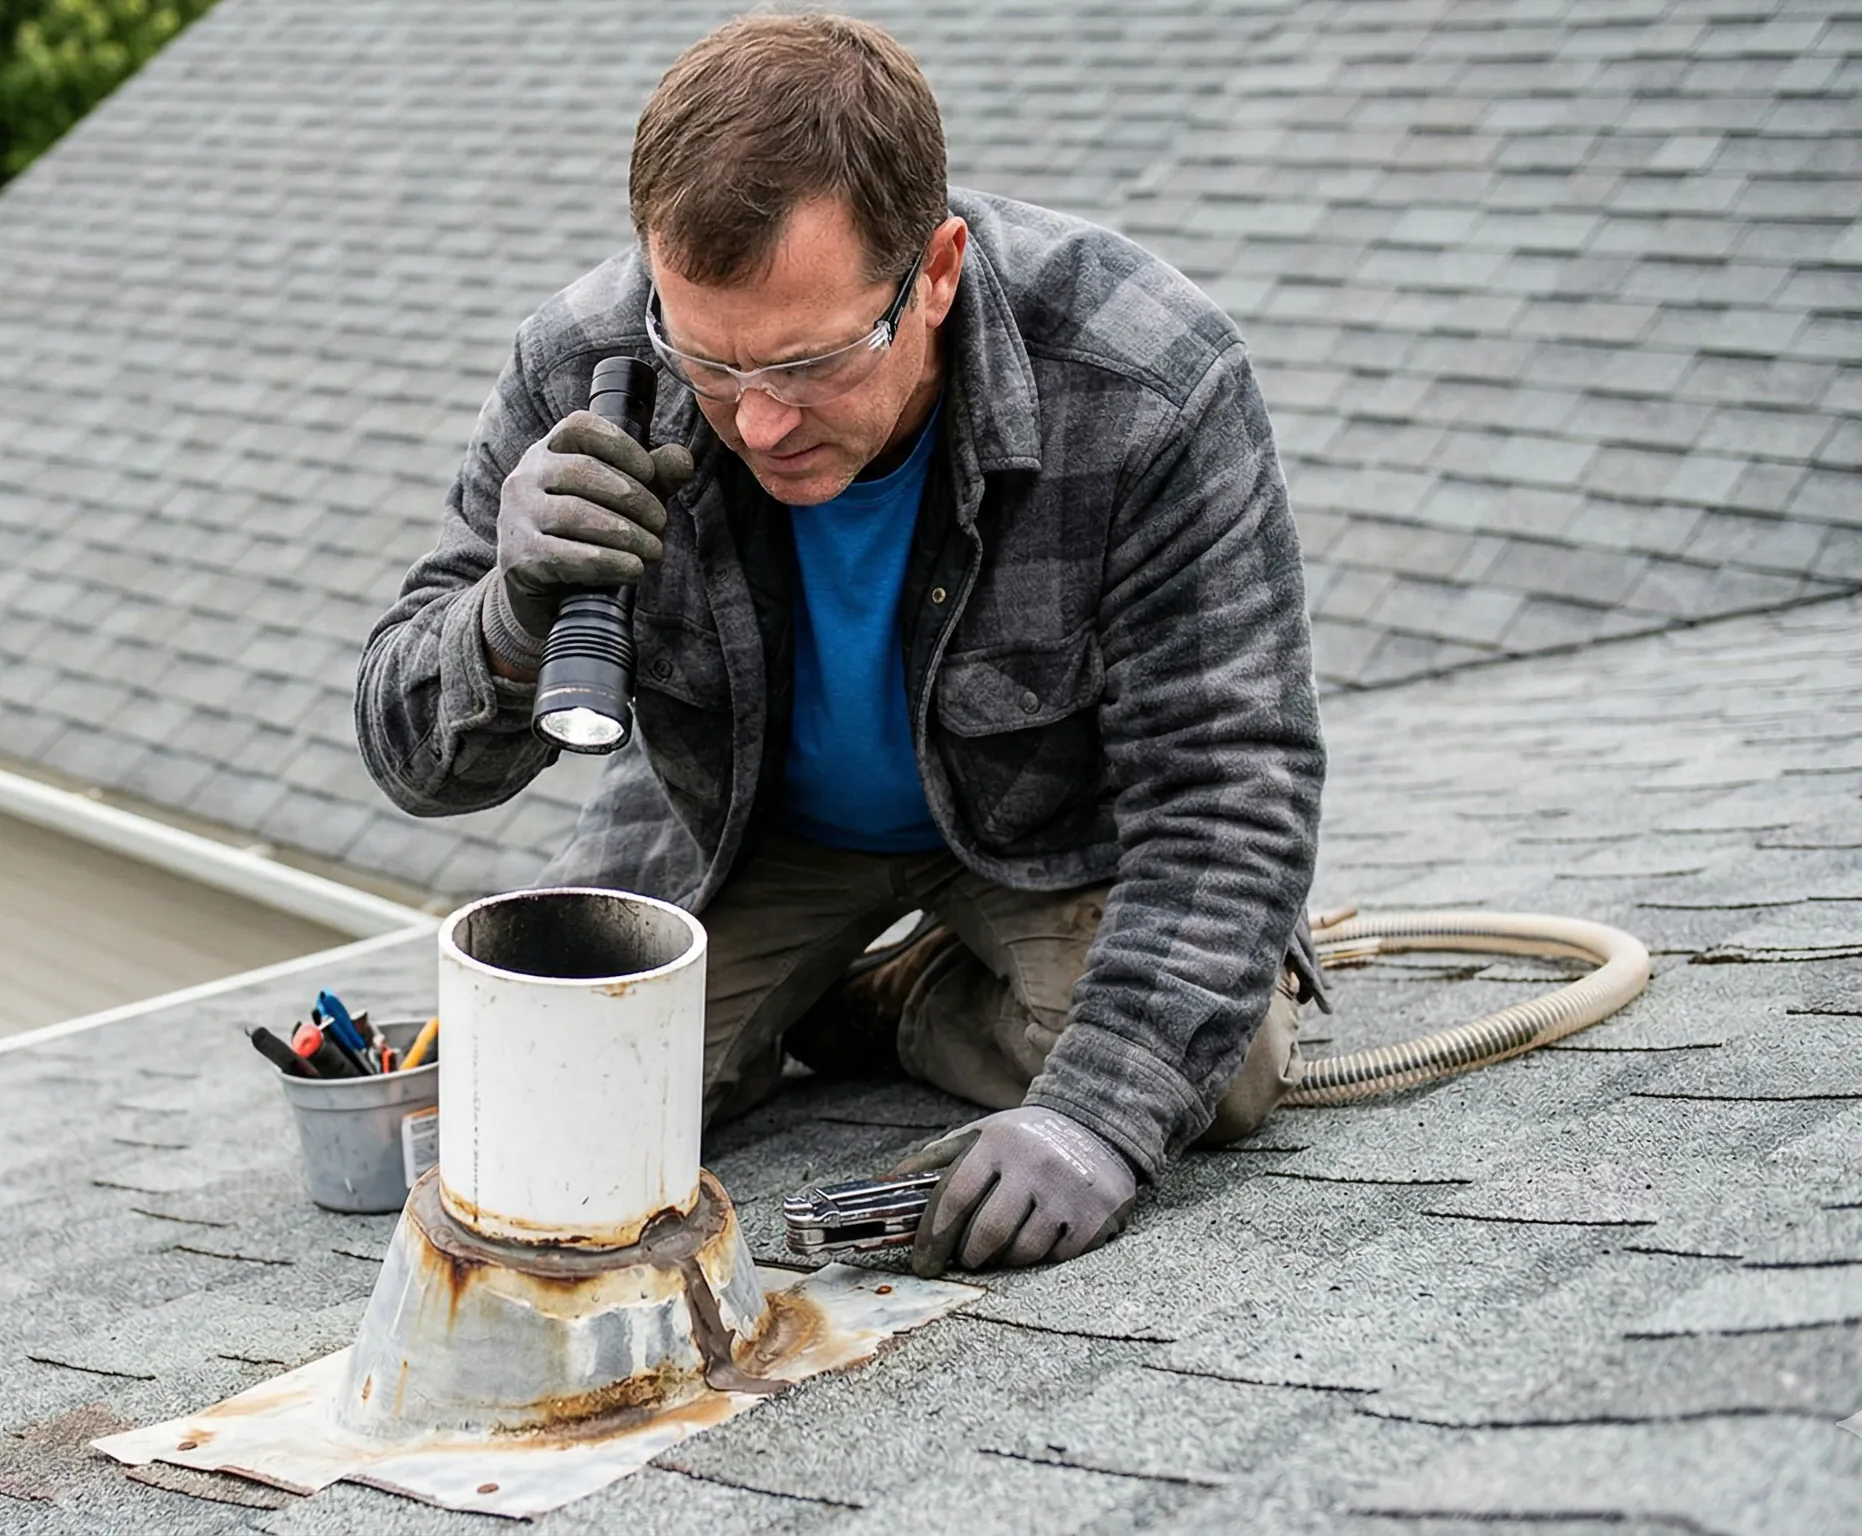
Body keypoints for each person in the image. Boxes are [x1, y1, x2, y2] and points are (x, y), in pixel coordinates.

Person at [356, 13, 1326, 1279]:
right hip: (741, 832)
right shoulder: (588, 361)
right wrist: (509, 610)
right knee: (555, 1114)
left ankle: (900, 998)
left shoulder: (1143, 380)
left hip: (1041, 831)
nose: (757, 423)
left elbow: (1230, 776)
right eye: (708, 361)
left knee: (1221, 1071)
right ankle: (829, 993)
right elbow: (409, 764)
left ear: (934, 270)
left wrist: (1093, 1124)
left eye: (808, 362)